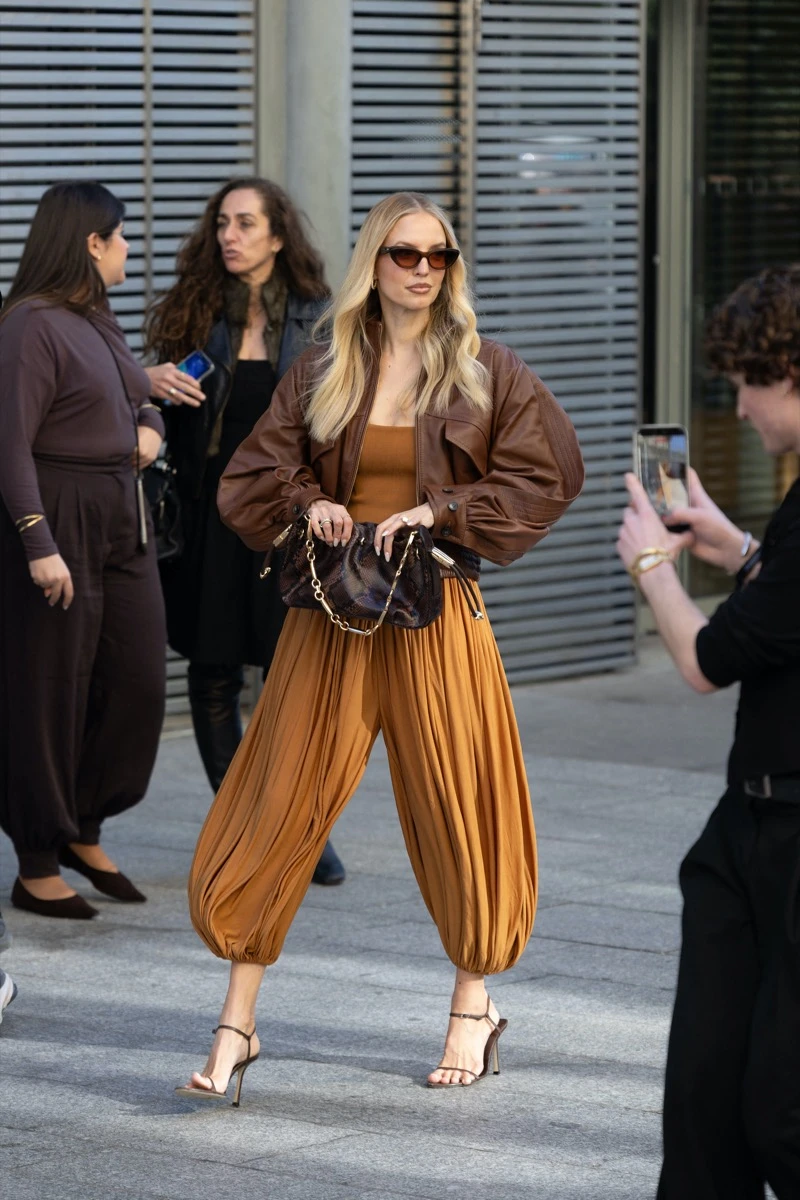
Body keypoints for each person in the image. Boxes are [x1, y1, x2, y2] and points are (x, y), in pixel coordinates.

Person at [174, 190, 584, 1104]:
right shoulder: (325, 365)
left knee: (457, 804)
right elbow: (253, 472)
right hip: (333, 619)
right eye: (406, 254)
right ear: (375, 262)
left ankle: (472, 1007)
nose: (425, 271)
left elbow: (551, 471)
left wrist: (440, 511)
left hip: (438, 618)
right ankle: (237, 1023)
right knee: (281, 797)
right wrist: (306, 502)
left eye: (440, 257)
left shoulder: (488, 371)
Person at [616, 264, 800, 1198]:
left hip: (794, 837)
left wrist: (653, 565)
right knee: (703, 1098)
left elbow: (708, 659)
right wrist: (738, 547)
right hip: (747, 830)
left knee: (779, 1111)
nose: (738, 408)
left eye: (748, 382)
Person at [143, 177, 344, 886]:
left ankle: (299, 829)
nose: (230, 235)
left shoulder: (321, 319)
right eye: (222, 223)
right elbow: (152, 417)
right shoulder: (190, 314)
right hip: (207, 519)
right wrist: (151, 388)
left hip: (287, 521)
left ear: (278, 236)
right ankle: (245, 827)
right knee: (214, 670)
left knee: (295, 678)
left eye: (246, 223)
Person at [0, 181, 166, 919]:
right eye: (121, 235)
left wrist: (153, 426)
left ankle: (84, 826)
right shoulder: (30, 325)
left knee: (134, 678)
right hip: (58, 513)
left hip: (120, 517)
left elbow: (139, 393)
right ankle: (38, 855)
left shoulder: (97, 318)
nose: (130, 247)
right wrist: (37, 539)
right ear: (91, 243)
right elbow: (9, 441)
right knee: (51, 687)